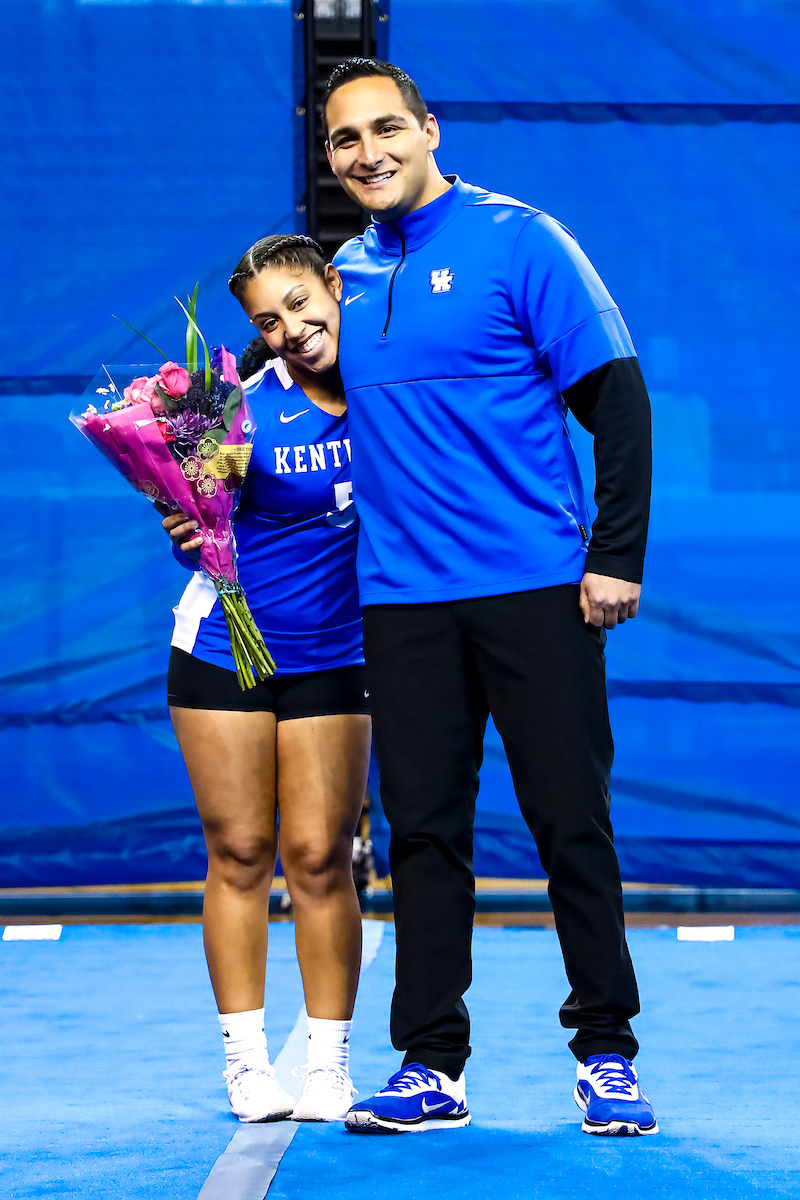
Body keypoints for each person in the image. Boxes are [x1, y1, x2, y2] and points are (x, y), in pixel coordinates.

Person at [319, 59, 658, 1137]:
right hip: (403, 604)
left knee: (570, 827)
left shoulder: (520, 238)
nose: (366, 153)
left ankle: (604, 1052)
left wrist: (614, 556)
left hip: (535, 594)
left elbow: (618, 397)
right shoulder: (343, 272)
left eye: (384, 129)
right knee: (421, 834)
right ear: (329, 160)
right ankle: (430, 1066)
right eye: (342, 141)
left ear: (427, 130)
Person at [163, 234, 371, 1124]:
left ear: (335, 285)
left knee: (323, 858)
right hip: (224, 649)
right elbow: (194, 513)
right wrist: (184, 517)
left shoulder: (394, 396)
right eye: (266, 320)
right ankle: (245, 1060)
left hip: (338, 654)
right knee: (242, 853)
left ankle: (330, 1063)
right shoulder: (239, 409)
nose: (288, 328)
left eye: (299, 303)